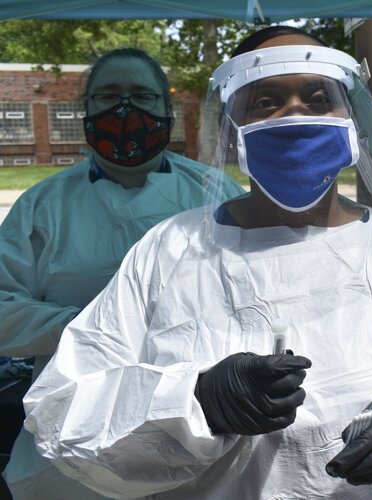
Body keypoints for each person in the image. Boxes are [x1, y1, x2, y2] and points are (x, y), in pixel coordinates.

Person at [23, 27, 372, 499]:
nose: (296, 114)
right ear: (232, 125)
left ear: (350, 121)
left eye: (319, 98)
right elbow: (62, 408)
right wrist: (196, 402)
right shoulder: (172, 251)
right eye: (267, 100)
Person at [0, 48, 244, 499]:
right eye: (109, 95)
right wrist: (92, 330)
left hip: (197, 425)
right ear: (86, 110)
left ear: (166, 109)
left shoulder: (215, 195)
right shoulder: (43, 206)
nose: (125, 110)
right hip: (72, 435)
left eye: (142, 96)